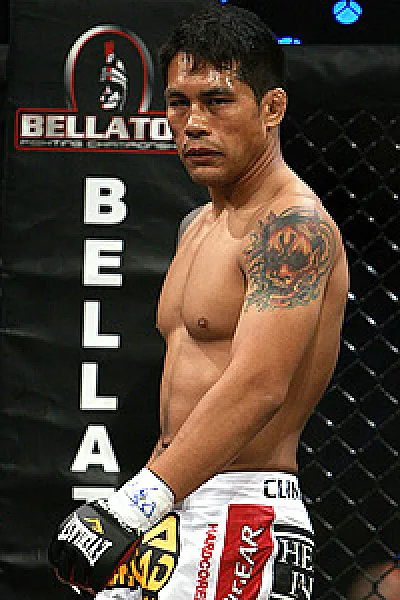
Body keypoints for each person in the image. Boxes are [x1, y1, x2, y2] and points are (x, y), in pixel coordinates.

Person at [48, 4, 349, 599]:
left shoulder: (293, 227)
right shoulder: (197, 225)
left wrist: (132, 505)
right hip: (168, 500)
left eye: (217, 101)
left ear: (272, 108)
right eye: (179, 102)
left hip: (240, 512)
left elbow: (259, 385)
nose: (192, 124)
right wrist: (145, 504)